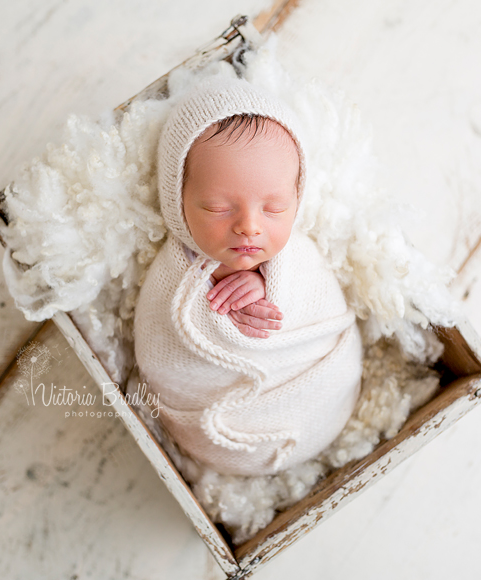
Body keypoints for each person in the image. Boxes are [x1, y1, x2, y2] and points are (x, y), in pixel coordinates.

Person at [133, 76, 362, 476]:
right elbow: (161, 351)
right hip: (214, 431)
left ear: (297, 199)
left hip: (322, 395)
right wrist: (213, 313)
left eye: (273, 208)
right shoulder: (171, 277)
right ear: (176, 198)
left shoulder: (299, 259)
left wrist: (271, 288)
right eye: (220, 208)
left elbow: (317, 305)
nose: (250, 227)